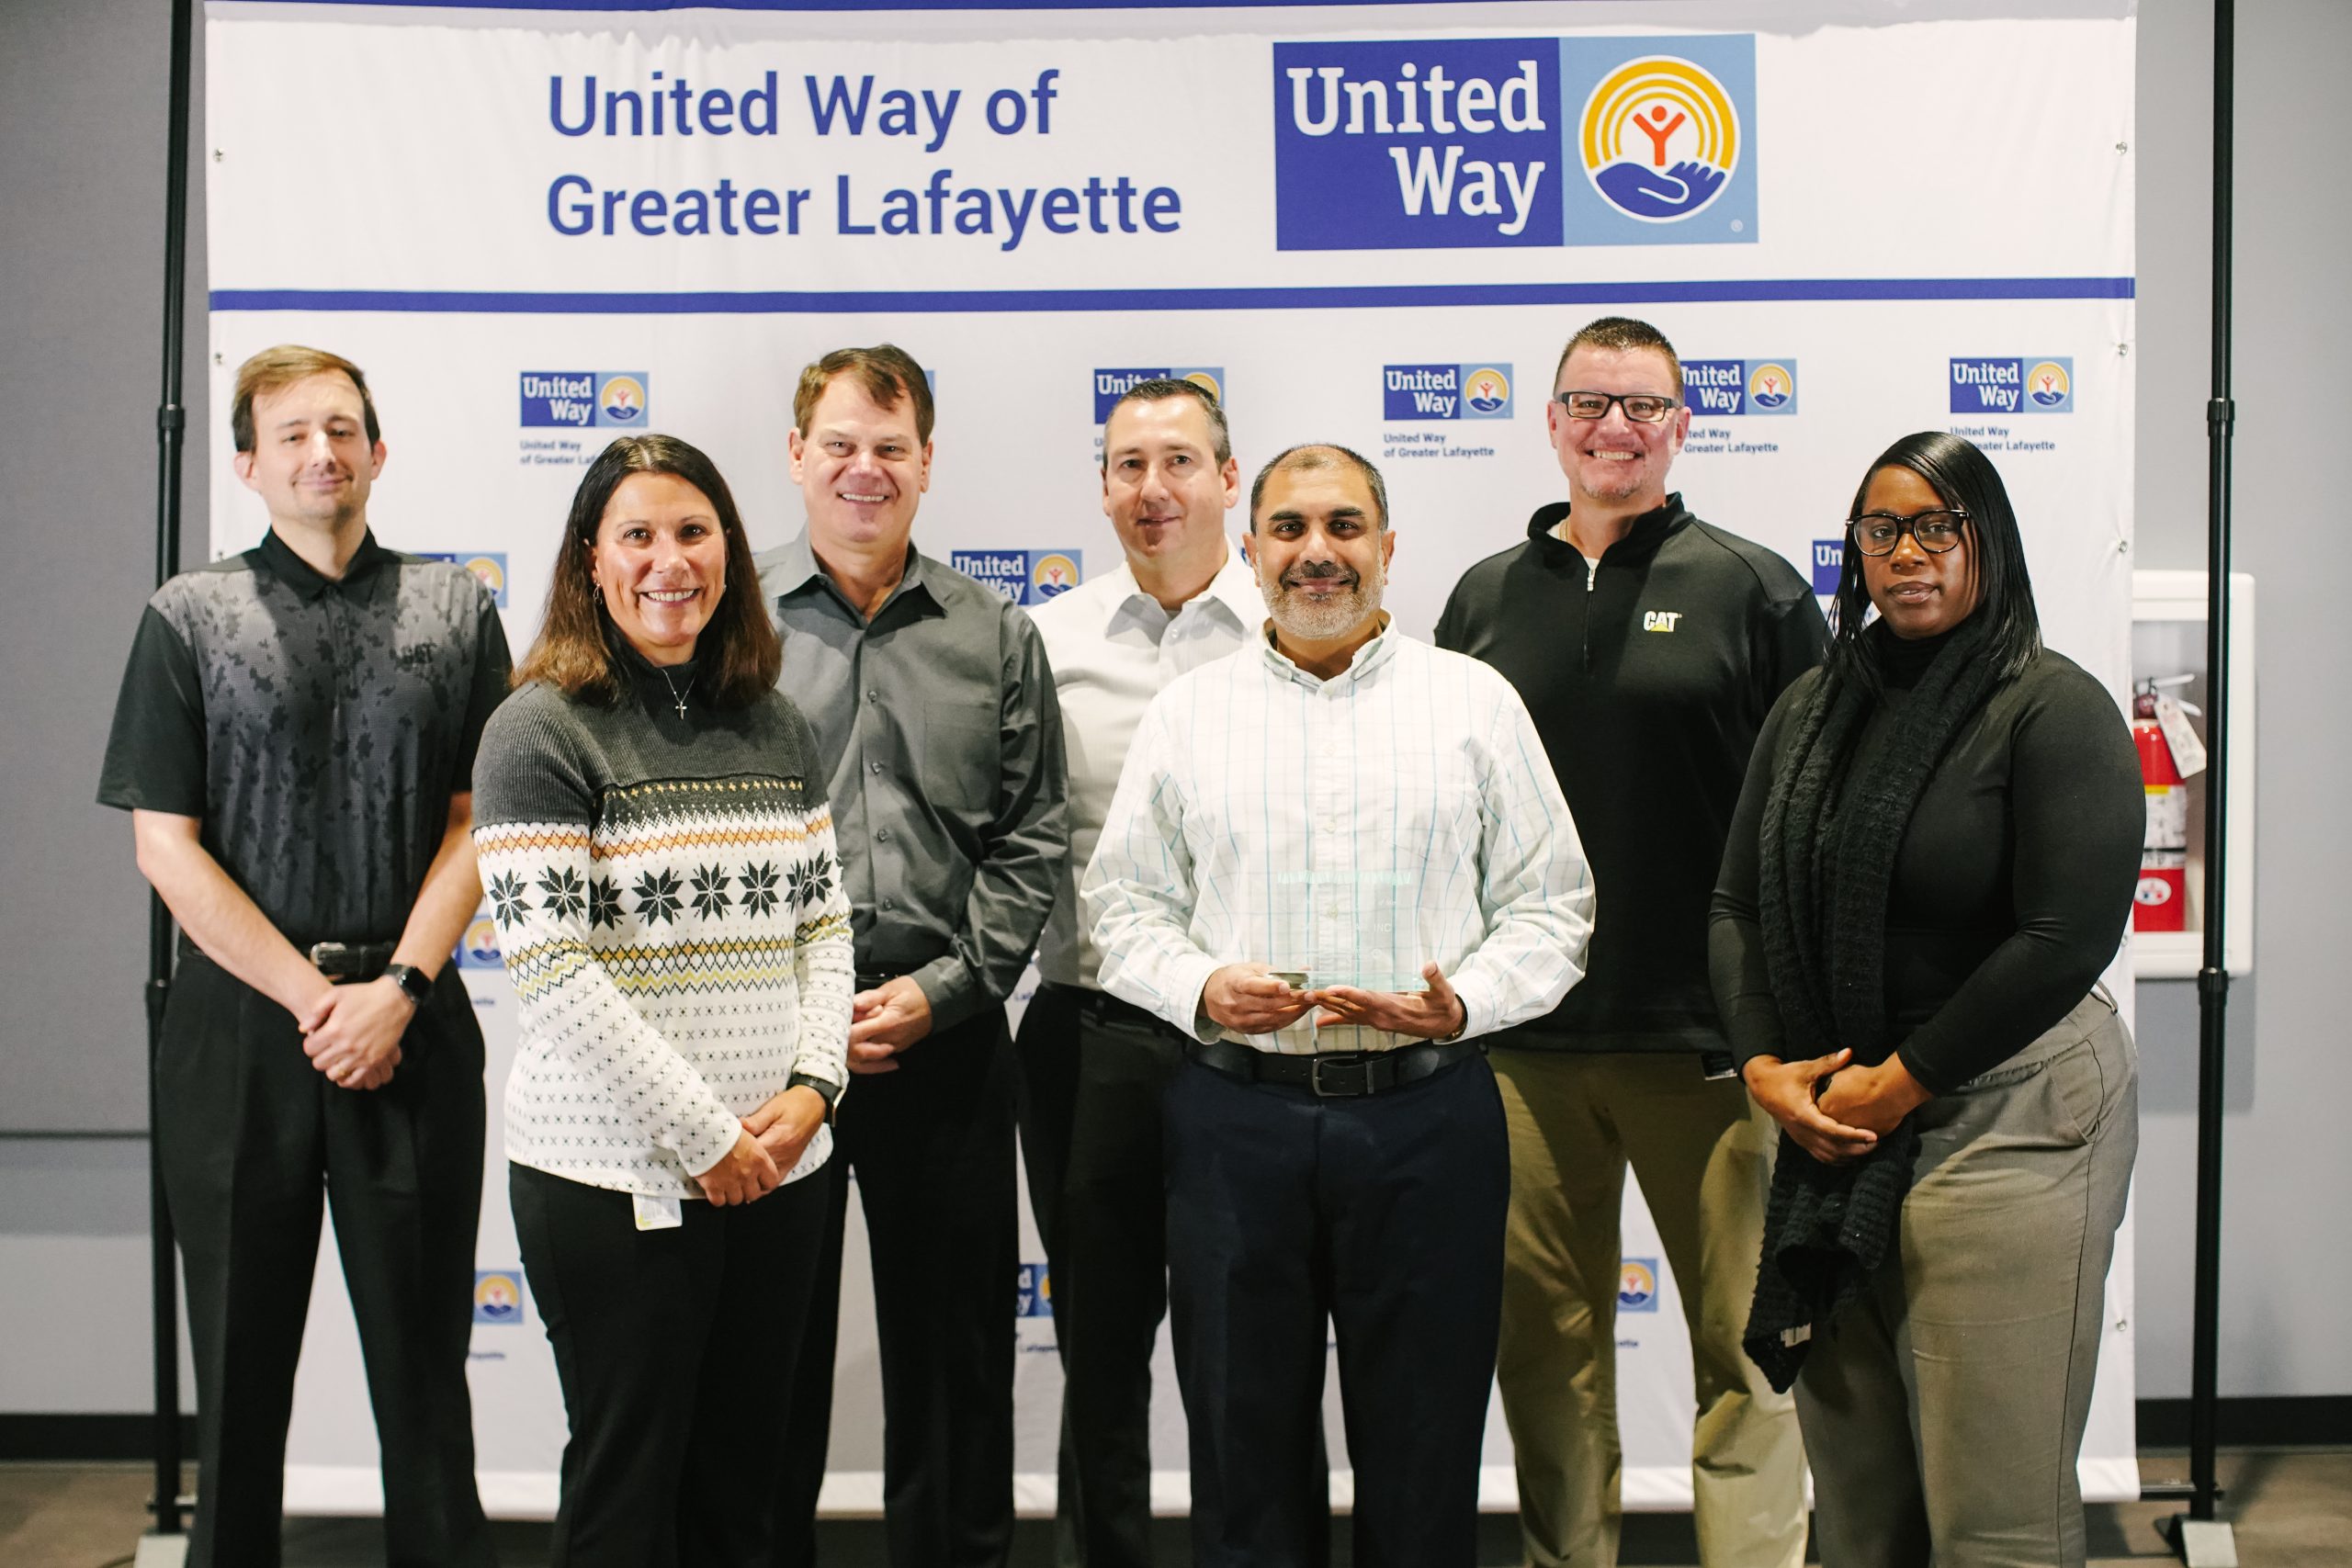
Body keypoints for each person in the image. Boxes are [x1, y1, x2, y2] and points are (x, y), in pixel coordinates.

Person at [1085, 444, 1594, 1568]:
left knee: (1423, 1459)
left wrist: (1463, 1004)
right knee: (1242, 1459)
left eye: (1344, 527)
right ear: (1252, 549)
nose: (1317, 553)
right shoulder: (1189, 713)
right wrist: (1200, 986)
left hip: (1427, 1125)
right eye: (1290, 529)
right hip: (1235, 1126)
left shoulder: (1472, 703)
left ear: (1388, 547)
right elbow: (1120, 908)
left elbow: (1552, 905)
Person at [96, 344, 503, 1568]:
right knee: (238, 1383)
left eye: (342, 430)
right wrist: (319, 1000)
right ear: (248, 465)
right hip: (238, 1038)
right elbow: (165, 846)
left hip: (411, 1028)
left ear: (378, 452)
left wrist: (399, 990)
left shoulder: (454, 609)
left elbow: (480, 823)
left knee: (425, 1384)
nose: (321, 453)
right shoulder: (188, 616)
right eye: (292, 435)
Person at [1709, 431, 2142, 1566]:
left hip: (2008, 1115)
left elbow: (2064, 939)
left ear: (1985, 540)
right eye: (1882, 530)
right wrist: (1764, 1067)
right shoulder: (1811, 707)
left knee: (1992, 1518)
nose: (1908, 553)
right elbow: (1736, 903)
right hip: (1834, 1125)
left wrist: (1899, 1084)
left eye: (1937, 527)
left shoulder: (2051, 708)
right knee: (1861, 1517)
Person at [1434, 315, 1819, 1568]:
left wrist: (1784, 1020)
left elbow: (1814, 811)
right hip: (1523, 1049)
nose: (1616, 428)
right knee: (1546, 1359)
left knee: (1746, 1355)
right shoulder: (1483, 598)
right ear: (1551, 421)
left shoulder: (1755, 589)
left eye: (1643, 405)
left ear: (1682, 425)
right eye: (1591, 403)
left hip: (1712, 1043)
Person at [472, 434, 852, 1566]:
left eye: (693, 532)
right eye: (636, 535)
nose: (668, 561)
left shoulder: (775, 723)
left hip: (782, 1172)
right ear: (592, 560)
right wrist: (706, 1138)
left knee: (747, 1494)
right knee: (628, 1498)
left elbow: (823, 926)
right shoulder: (537, 730)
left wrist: (813, 1090)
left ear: (728, 550)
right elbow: (552, 970)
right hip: (613, 1179)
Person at [756, 344, 1068, 1568]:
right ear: (798, 456)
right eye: (840, 444)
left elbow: (1031, 835)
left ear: (927, 462)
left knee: (955, 1363)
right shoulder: (730, 626)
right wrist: (801, 1012)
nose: (865, 469)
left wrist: (946, 992)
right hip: (769, 1049)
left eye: (890, 447)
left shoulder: (994, 632)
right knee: (768, 1361)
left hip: (946, 1039)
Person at [1018, 377, 1262, 1567]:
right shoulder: (1043, 641)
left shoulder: (1296, 629)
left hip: (1253, 1049)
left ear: (1229, 477)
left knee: (1246, 1351)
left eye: (1179, 461)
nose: (1153, 488)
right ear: (1104, 486)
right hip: (1090, 1036)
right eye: (1128, 465)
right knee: (1100, 1355)